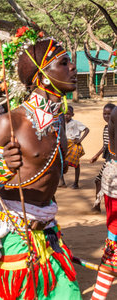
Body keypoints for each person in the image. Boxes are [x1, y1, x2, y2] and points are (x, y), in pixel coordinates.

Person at [0, 29, 81, 299]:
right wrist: (4, 168)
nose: (72, 67)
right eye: (63, 63)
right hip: (16, 236)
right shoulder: (10, 122)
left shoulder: (59, 121)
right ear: (42, 77)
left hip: (50, 231)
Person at [91, 106, 117, 300]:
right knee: (113, 247)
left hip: (112, 176)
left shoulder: (115, 112)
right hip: (114, 180)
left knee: (113, 244)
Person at [90, 103, 115, 213]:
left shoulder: (113, 127)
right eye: (104, 114)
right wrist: (97, 155)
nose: (106, 116)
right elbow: (106, 144)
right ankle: (97, 204)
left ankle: (97, 206)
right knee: (100, 180)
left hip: (112, 159)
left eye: (109, 114)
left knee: (99, 180)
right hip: (109, 158)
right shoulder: (107, 127)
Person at [59, 105, 89, 188]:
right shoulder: (60, 123)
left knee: (76, 164)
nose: (66, 116)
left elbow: (87, 129)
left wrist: (80, 140)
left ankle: (76, 183)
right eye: (64, 114)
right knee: (61, 162)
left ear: (72, 114)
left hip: (74, 144)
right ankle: (62, 182)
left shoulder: (76, 123)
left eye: (68, 114)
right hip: (63, 144)